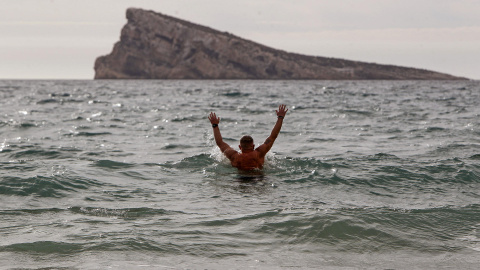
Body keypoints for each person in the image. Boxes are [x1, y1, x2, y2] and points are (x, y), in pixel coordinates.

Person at [208, 104, 288, 171]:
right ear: (253, 146)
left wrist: (215, 125)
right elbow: (273, 136)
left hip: (240, 179)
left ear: (240, 147)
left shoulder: (234, 156)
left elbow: (220, 143)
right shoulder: (259, 153)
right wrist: (280, 117)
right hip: (258, 178)